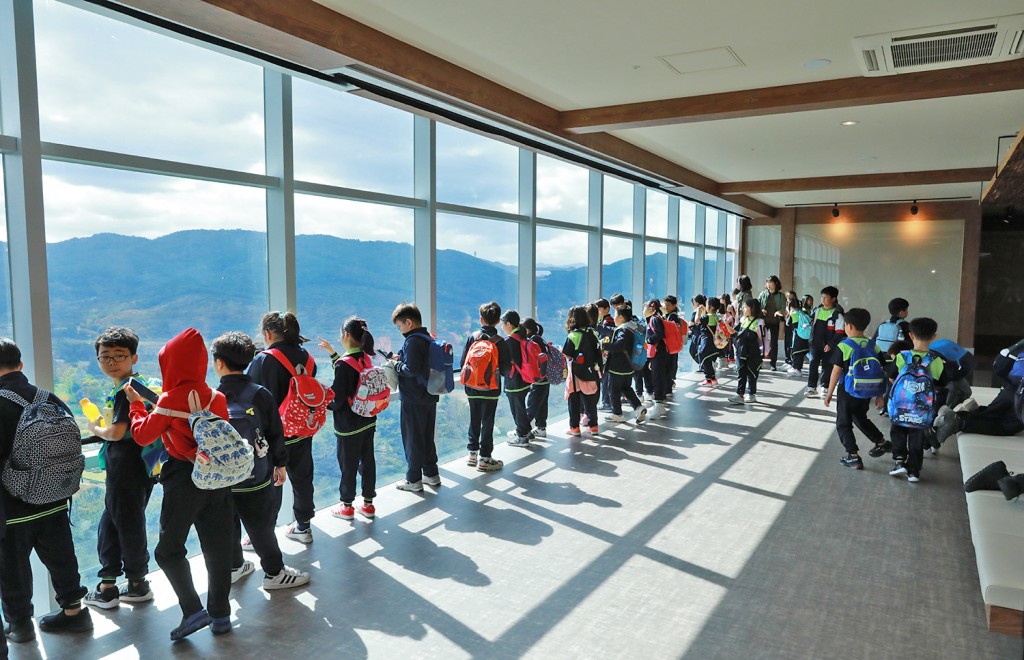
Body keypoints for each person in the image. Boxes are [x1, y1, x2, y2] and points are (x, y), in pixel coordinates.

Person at [126, 328, 233, 640]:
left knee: (168, 550)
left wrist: (136, 405)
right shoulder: (217, 396)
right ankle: (221, 616)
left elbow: (143, 435)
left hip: (184, 480)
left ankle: (192, 610)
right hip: (218, 478)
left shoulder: (169, 400)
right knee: (217, 549)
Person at [0, 338, 92, 644]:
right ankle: (75, 612)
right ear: (21, 365)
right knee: (62, 556)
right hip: (55, 498)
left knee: (13, 565)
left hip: (12, 507)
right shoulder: (48, 397)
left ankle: (21, 625)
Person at [211, 332, 309, 591]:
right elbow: (276, 433)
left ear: (219, 363)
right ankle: (275, 573)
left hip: (222, 479)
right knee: (260, 525)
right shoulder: (260, 394)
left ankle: (234, 566)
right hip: (256, 473)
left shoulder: (213, 397)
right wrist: (280, 464)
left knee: (228, 522)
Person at [82, 327, 157, 611]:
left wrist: (94, 428)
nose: (111, 362)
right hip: (140, 465)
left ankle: (138, 584)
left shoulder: (129, 389)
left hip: (126, 466)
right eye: (105, 357)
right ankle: (108, 585)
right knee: (113, 522)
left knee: (126, 523)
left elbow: (115, 432)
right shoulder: (137, 385)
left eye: (119, 356)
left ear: (134, 358)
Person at [245, 312, 318, 544]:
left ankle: (264, 536)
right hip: (303, 429)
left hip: (274, 435)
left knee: (271, 485)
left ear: (268, 334)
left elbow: (248, 393)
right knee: (303, 478)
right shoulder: (308, 357)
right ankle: (303, 527)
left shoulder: (264, 360)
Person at [319, 318, 385, 513]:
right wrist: (333, 354)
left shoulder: (343, 364)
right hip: (368, 419)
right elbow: (352, 373)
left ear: (346, 335)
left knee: (348, 464)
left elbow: (337, 398)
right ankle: (368, 503)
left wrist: (323, 405)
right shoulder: (366, 358)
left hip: (348, 425)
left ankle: (347, 506)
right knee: (367, 461)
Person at [822, 308, 891, 469]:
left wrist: (829, 393)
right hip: (867, 391)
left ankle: (853, 455)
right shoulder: (874, 346)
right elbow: (882, 371)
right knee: (860, 417)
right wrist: (880, 395)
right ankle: (881, 442)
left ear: (849, 326)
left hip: (847, 391)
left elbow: (836, 372)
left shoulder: (844, 346)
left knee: (843, 422)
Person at [389, 303, 441, 491]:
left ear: (409, 322)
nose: (399, 330)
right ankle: (431, 474)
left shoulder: (412, 341)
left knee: (412, 438)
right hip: (429, 394)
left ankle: (413, 480)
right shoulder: (427, 338)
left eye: (399, 326)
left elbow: (410, 369)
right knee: (427, 437)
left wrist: (395, 365)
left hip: (413, 398)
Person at [887, 318, 945, 483]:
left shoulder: (901, 356)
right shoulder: (936, 360)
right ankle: (914, 471)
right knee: (917, 437)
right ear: (934, 336)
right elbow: (940, 383)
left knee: (897, 431)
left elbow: (891, 377)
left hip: (901, 405)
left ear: (911, 335)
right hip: (922, 409)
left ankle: (899, 461)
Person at [458, 302, 511, 471]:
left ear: (481, 319)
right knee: (488, 422)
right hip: (491, 388)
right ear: (497, 322)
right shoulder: (500, 341)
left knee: (474, 419)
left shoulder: (472, 337)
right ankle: (485, 458)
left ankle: (472, 454)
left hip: (472, 387)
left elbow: (462, 362)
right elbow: (505, 369)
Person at [604, 304, 648, 425]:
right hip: (629, 365)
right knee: (626, 388)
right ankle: (639, 408)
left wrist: (605, 346)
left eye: (615, 315)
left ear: (621, 317)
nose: (614, 318)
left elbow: (620, 345)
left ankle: (617, 414)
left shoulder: (623, 330)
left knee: (613, 390)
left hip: (618, 366)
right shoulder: (633, 327)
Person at [563, 306, 603, 436]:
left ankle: (574, 428)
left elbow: (567, 354)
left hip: (576, 375)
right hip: (592, 372)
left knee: (573, 400)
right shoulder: (593, 333)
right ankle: (593, 426)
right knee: (590, 400)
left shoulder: (573, 336)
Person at [501, 310, 534, 448]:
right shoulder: (522, 336)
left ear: (508, 324)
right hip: (525, 378)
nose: (502, 327)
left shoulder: (509, 341)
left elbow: (505, 362)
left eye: (503, 324)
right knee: (520, 405)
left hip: (514, 379)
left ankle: (522, 437)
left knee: (517, 408)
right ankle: (526, 431)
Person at [805, 286, 845, 398]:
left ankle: (825, 387)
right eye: (822, 296)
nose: (823, 299)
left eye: (826, 297)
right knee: (813, 363)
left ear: (833, 299)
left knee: (827, 366)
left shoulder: (837, 314)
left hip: (829, 346)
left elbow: (839, 332)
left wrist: (831, 344)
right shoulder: (817, 310)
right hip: (815, 344)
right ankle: (811, 387)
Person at [729, 299, 764, 405]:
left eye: (745, 307)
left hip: (753, 352)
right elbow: (735, 332)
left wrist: (759, 334)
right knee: (741, 372)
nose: (743, 309)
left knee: (752, 373)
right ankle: (740, 395)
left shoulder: (760, 321)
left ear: (752, 308)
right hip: (741, 351)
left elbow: (762, 339)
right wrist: (725, 325)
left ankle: (752, 394)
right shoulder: (743, 319)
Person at [643, 299, 671, 418]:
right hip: (659, 353)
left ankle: (659, 405)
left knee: (657, 378)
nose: (643, 310)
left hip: (659, 353)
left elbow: (659, 334)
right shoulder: (658, 318)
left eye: (645, 307)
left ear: (651, 308)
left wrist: (649, 340)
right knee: (658, 376)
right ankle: (659, 405)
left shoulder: (654, 319)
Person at [522, 318, 549, 439]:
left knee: (531, 405)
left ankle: (522, 430)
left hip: (538, 378)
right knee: (542, 403)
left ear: (527, 329)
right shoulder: (540, 339)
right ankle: (541, 427)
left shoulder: (533, 341)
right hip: (545, 376)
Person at [757, 275, 787, 371]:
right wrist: (761, 310)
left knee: (774, 343)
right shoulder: (763, 294)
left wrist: (779, 312)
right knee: (761, 341)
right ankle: (759, 361)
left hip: (774, 322)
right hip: (763, 321)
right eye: (767, 283)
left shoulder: (781, 296)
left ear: (776, 283)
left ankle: (773, 363)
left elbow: (783, 308)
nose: (769, 285)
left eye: (771, 283)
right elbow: (757, 305)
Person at [694, 298, 722, 387]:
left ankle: (709, 379)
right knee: (708, 359)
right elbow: (706, 322)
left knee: (704, 358)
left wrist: (698, 311)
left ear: (710, 307)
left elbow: (697, 320)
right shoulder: (716, 316)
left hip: (706, 341)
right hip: (714, 342)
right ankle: (712, 379)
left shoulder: (707, 316)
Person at [595, 299, 615, 411]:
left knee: (605, 378)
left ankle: (606, 402)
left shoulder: (607, 321)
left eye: (599, 309)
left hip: (606, 354)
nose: (597, 312)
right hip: (606, 354)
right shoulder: (605, 320)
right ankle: (606, 401)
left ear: (607, 309)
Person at [662, 295, 683, 394]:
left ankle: (668, 387)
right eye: (665, 304)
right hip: (673, 345)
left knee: (668, 366)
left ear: (674, 305)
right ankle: (669, 385)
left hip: (670, 345)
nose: (666, 307)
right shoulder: (673, 315)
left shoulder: (672, 316)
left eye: (668, 305)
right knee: (670, 365)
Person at [786, 298, 810, 377]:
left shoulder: (794, 314)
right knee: (800, 353)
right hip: (804, 336)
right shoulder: (802, 313)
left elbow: (789, 324)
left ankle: (796, 369)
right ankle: (798, 368)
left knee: (796, 352)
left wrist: (789, 314)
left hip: (797, 336)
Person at [782, 290, 799, 366]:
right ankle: (787, 359)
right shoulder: (785, 307)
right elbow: (784, 319)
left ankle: (792, 360)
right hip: (787, 327)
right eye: (788, 298)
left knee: (793, 344)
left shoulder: (797, 306)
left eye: (791, 298)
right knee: (787, 343)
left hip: (795, 328)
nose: (789, 300)